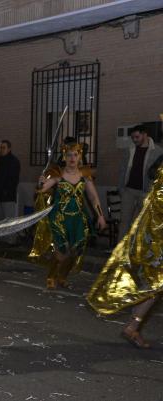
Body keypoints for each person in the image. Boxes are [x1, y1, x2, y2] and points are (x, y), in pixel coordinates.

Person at [87, 163, 163, 349]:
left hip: (152, 240)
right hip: (155, 242)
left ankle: (133, 325)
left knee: (153, 285)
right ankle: (133, 326)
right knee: (155, 284)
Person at [32, 143, 106, 289]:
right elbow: (41, 190)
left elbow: (93, 197)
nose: (72, 158)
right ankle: (52, 276)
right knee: (62, 250)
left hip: (78, 219)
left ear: (80, 157)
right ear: (64, 157)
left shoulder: (85, 174)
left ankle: (63, 276)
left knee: (76, 251)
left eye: (75, 155)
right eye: (69, 155)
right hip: (59, 217)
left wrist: (100, 216)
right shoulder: (57, 173)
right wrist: (40, 183)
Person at [118, 125, 163, 237]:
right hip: (128, 191)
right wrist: (121, 189)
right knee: (124, 222)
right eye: (132, 137)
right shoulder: (130, 150)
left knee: (143, 224)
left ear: (145, 134)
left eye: (137, 137)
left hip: (146, 192)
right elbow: (123, 170)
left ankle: (139, 253)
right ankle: (120, 252)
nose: (134, 140)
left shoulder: (157, 151)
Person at [0, 140, 20, 242]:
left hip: (8, 195)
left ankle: (11, 239)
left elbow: (13, 179)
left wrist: (6, 191)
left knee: (9, 219)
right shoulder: (1, 160)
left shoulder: (13, 161)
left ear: (9, 149)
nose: (1, 150)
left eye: (3, 147)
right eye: (0, 148)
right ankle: (0, 238)